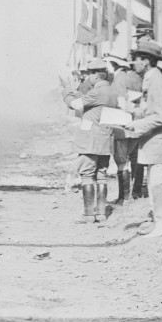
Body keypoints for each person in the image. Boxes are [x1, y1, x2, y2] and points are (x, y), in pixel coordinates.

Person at [117, 40, 162, 237]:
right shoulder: (150, 79)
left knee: (158, 185)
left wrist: (135, 125)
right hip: (156, 143)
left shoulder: (157, 82)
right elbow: (151, 110)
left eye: (136, 60)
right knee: (156, 185)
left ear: (146, 61)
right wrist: (133, 111)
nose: (132, 64)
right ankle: (160, 224)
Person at [62, 58, 118, 224]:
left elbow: (74, 104)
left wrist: (67, 89)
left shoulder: (97, 92)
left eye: (89, 75)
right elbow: (89, 103)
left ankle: (88, 215)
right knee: (101, 175)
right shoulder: (110, 90)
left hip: (90, 141)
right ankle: (101, 214)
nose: (87, 79)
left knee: (87, 175)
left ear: (95, 76)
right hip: (105, 139)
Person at [106, 54, 142, 203]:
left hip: (121, 124)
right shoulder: (134, 78)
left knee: (122, 162)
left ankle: (124, 198)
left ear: (114, 64)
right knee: (135, 159)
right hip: (136, 124)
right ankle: (137, 192)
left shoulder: (119, 78)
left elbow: (121, 102)